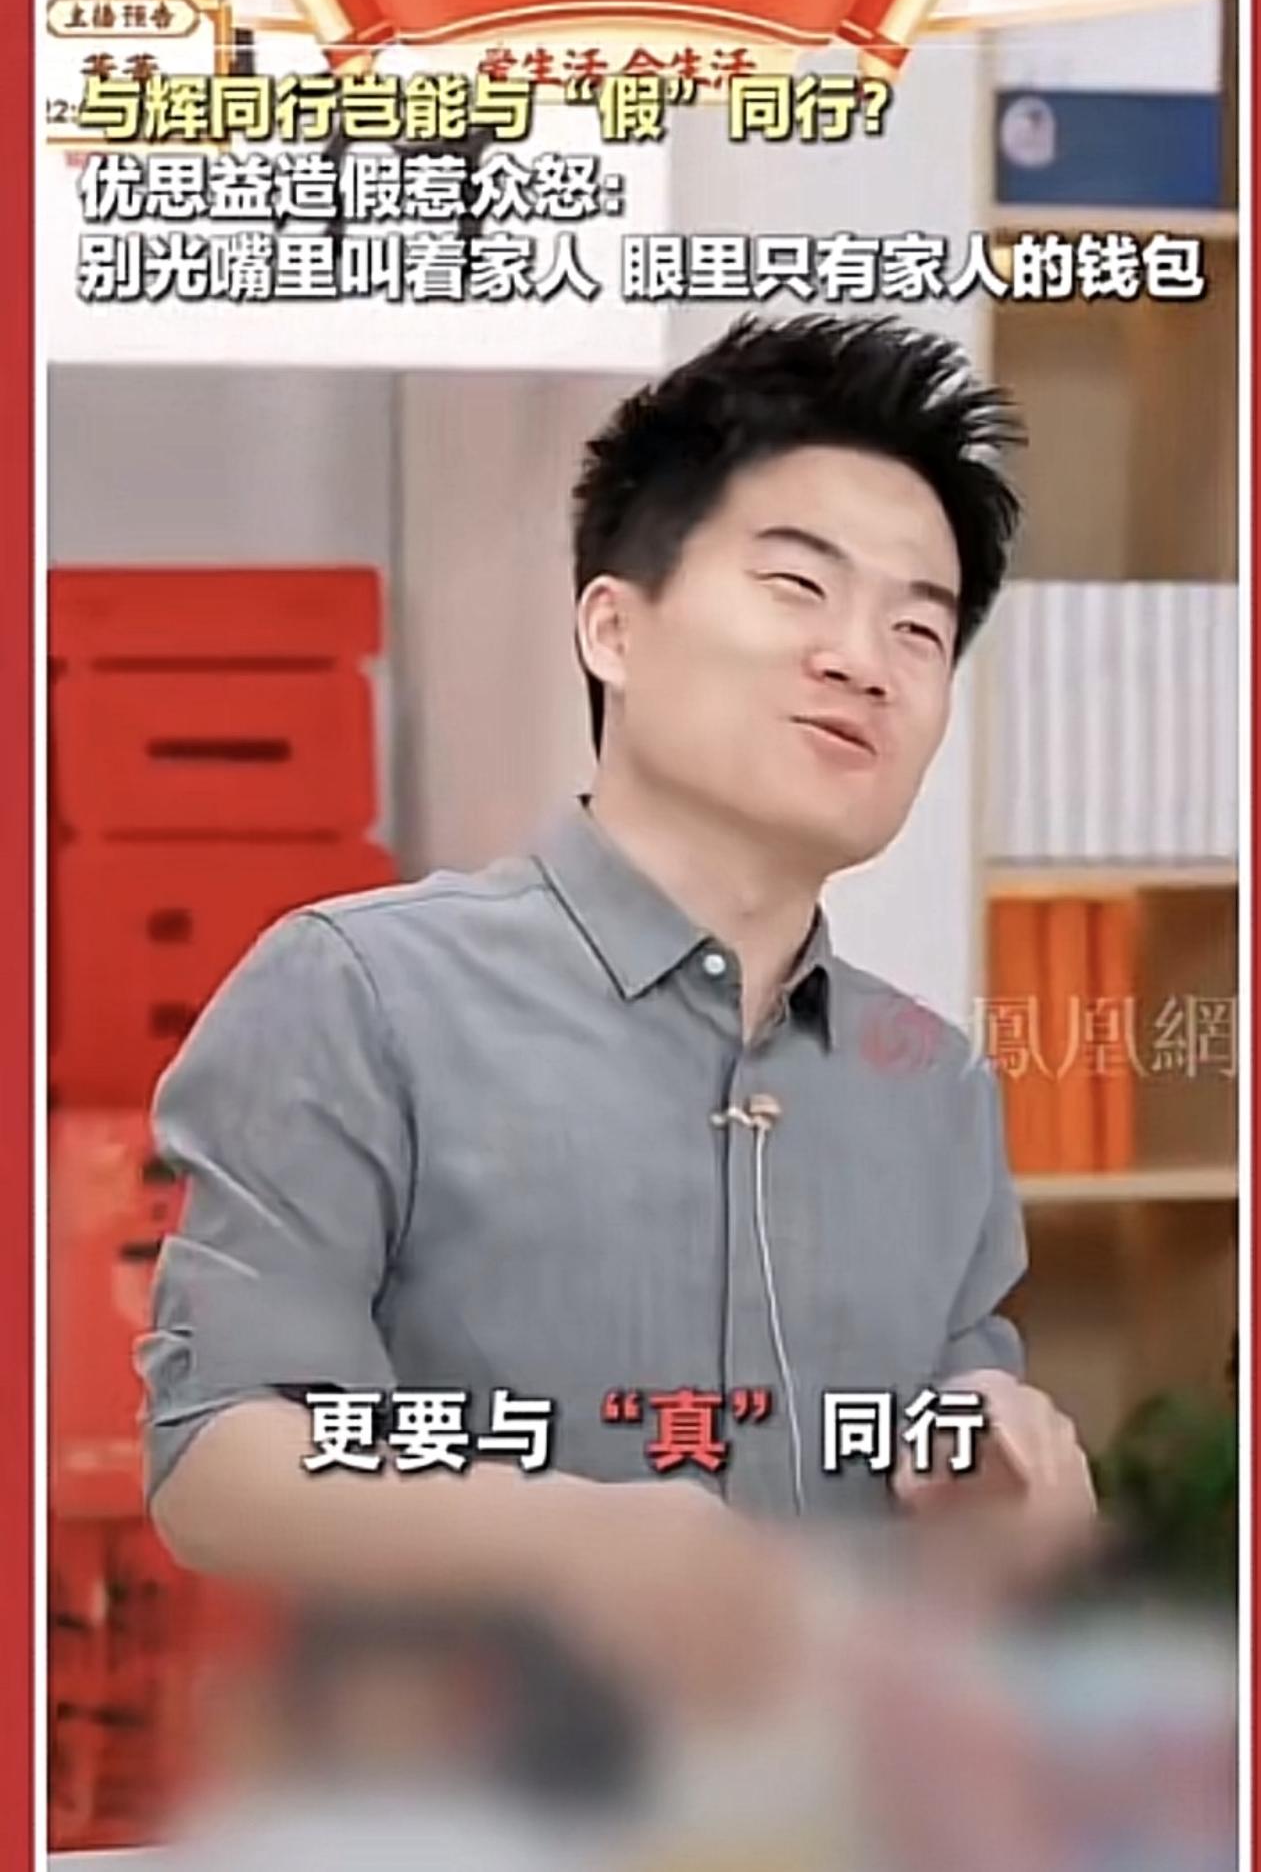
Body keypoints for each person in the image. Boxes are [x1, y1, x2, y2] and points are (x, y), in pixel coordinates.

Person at [142, 315, 1095, 1709]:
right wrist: (569, 1537)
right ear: (613, 626)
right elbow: (218, 1456)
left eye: (919, 627)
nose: (864, 658)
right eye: (797, 585)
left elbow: (957, 1466)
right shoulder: (359, 991)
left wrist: (1008, 1500)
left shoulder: (932, 1082)